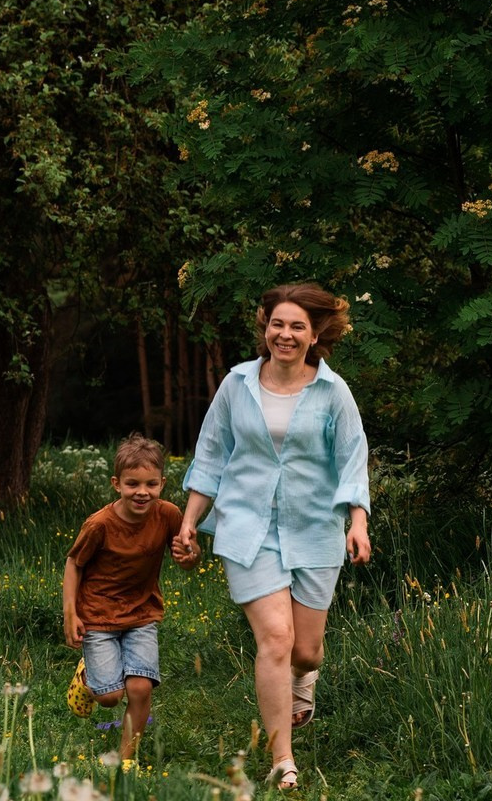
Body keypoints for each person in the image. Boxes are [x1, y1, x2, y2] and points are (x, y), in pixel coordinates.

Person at [175, 283, 371, 793]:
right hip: (247, 527)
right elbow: (211, 455)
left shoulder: (333, 392)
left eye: (297, 326)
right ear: (265, 326)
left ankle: (304, 680)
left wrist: (358, 522)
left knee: (305, 652)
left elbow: (353, 460)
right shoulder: (237, 383)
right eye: (277, 323)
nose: (285, 334)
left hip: (313, 528)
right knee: (276, 640)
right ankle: (282, 757)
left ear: (316, 333)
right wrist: (190, 520)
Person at [63, 432, 199, 761]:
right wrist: (70, 613)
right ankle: (88, 674)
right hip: (98, 615)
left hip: (142, 615)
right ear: (116, 483)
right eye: (132, 484)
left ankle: (127, 760)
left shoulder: (168, 515)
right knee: (110, 696)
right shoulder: (99, 525)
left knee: (140, 687)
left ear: (162, 483)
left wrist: (190, 555)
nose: (142, 492)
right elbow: (73, 563)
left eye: (151, 484)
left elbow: (189, 558)